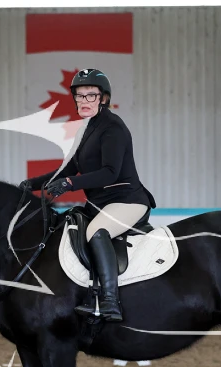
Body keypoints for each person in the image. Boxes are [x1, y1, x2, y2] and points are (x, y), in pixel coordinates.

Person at [20, 68, 156, 322]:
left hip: (126, 201)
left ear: (103, 98)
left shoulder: (113, 128)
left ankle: (110, 301)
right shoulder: (85, 129)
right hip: (100, 204)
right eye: (80, 95)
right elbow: (68, 169)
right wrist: (33, 184)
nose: (84, 100)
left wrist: (70, 184)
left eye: (91, 95)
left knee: (96, 232)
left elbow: (109, 173)